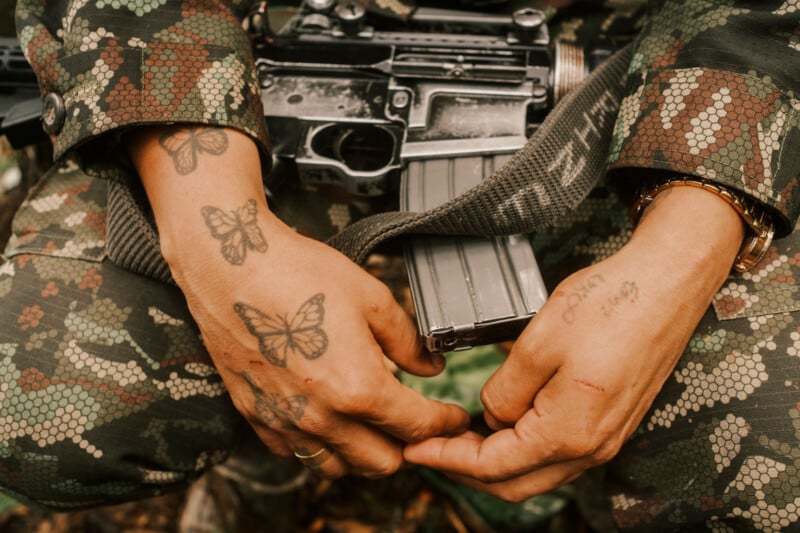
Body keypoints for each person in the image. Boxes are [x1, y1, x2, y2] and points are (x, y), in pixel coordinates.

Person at [3, 0, 798, 531]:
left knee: (774, 455)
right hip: (219, 90)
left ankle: (597, 486)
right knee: (43, 395)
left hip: (642, 119)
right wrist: (213, 231)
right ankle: (263, 455)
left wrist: (682, 251)